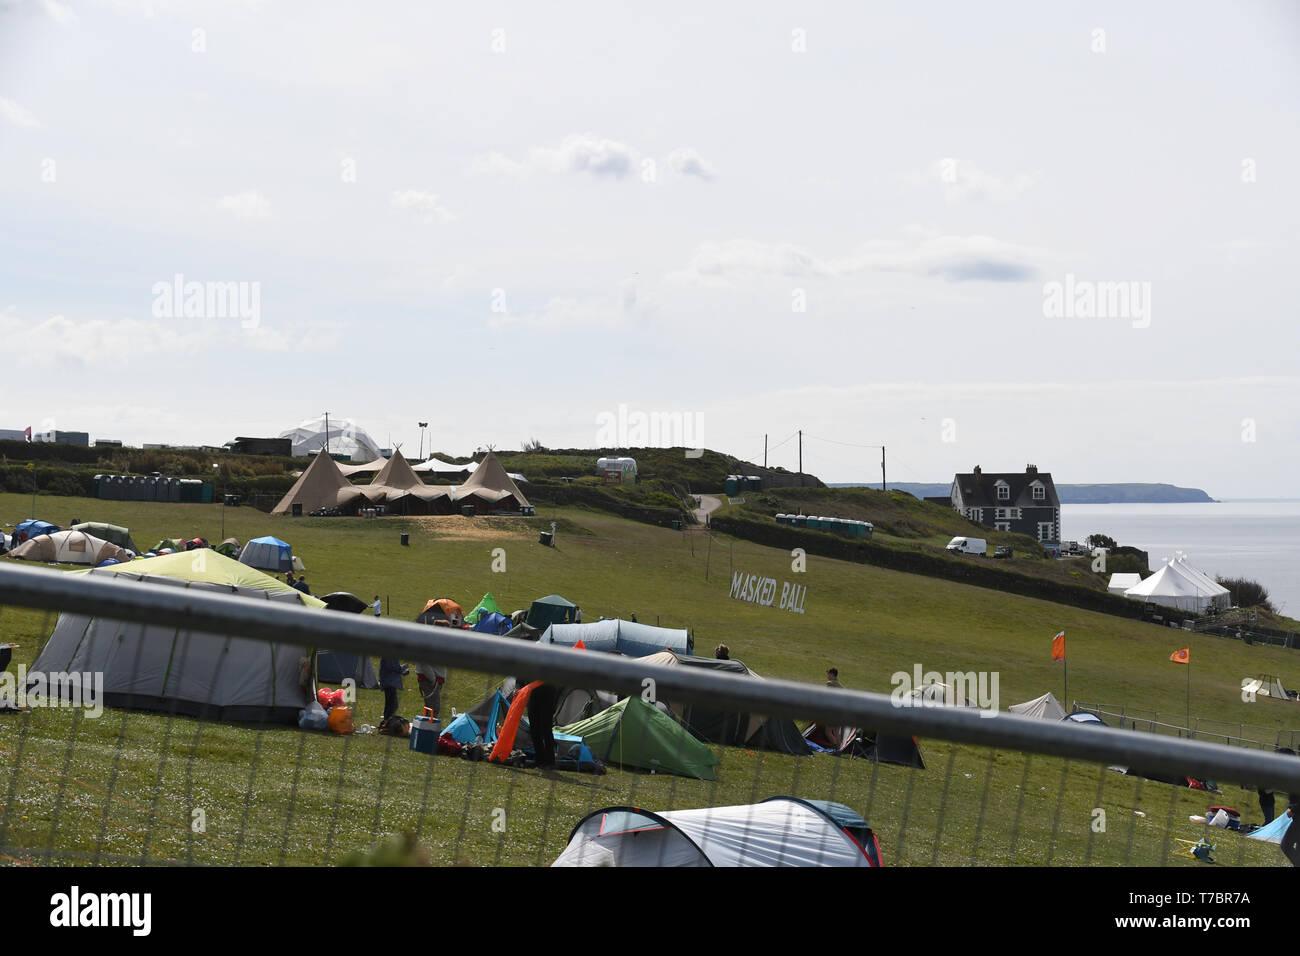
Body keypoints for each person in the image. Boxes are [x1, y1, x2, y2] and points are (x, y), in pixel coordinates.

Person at [379, 656, 403, 722]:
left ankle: (388, 721)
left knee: (392, 704)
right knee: (392, 705)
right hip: (389, 682)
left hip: (390, 681)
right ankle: (388, 722)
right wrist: (403, 668)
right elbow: (393, 666)